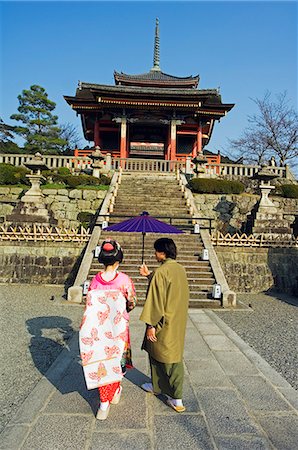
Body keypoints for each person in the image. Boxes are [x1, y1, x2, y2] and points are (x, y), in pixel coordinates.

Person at [79, 239, 137, 420]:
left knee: (100, 360)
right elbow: (132, 302)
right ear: (118, 260)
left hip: (98, 328)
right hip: (118, 326)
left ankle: (109, 395)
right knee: (116, 358)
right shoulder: (124, 280)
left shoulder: (95, 281)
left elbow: (89, 304)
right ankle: (106, 401)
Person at [139, 238, 189, 413]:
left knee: (168, 358)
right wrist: (149, 276)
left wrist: (151, 324)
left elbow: (156, 301)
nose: (155, 254)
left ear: (162, 252)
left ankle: (177, 398)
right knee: (162, 353)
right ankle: (158, 386)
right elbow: (170, 288)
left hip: (162, 321)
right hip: (177, 319)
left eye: (156, 251)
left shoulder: (161, 271)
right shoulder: (180, 269)